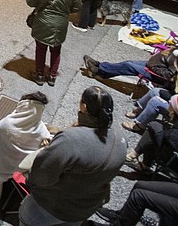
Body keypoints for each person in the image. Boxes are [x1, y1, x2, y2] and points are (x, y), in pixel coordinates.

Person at [19, 86, 126, 226]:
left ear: (84, 106)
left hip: (51, 208)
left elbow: (40, 176)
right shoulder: (120, 138)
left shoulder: (70, 139)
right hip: (84, 209)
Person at [121, 51, 178, 134]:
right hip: (177, 101)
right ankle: (139, 111)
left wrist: (165, 95)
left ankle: (139, 125)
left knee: (156, 102)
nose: (175, 62)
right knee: (155, 91)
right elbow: (170, 88)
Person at [26, 0, 82, 87]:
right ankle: (52, 76)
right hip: (60, 24)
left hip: (43, 21)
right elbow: (77, 7)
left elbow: (30, 2)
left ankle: (39, 75)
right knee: (56, 50)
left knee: (40, 49)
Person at [83, 31, 178, 84]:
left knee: (129, 66)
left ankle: (98, 69)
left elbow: (170, 75)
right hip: (155, 64)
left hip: (156, 73)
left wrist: (153, 66)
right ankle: (100, 68)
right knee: (128, 62)